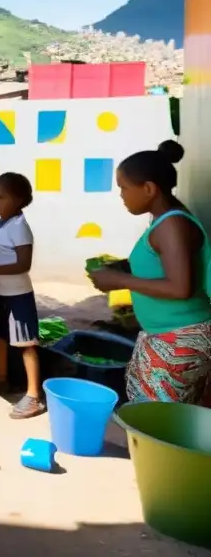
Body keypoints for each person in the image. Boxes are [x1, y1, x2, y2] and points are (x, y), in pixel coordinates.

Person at [88, 140, 211, 406]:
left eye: (123, 187)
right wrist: (122, 267)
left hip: (181, 336)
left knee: (159, 422)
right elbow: (162, 264)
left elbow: (180, 287)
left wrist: (119, 279)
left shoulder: (171, 224)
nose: (121, 195)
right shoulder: (165, 220)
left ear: (148, 189)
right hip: (170, 333)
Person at [0, 172, 45, 419]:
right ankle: (1, 379)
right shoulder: (0, 223)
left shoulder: (19, 227)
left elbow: (22, 264)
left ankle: (34, 395)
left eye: (0, 196)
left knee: (26, 345)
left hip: (17, 296)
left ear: (18, 200)